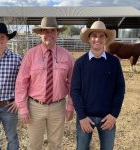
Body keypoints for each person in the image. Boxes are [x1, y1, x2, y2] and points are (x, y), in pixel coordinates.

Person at [15, 17, 74, 150]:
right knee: (34, 145)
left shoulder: (67, 56)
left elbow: (73, 83)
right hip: (35, 107)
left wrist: (70, 106)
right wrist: (22, 108)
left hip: (58, 106)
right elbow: (21, 83)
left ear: (57, 33)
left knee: (56, 144)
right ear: (40, 33)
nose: (49, 34)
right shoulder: (30, 55)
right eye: (45, 31)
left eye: (52, 31)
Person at [70, 21, 125, 150]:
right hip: (85, 117)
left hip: (108, 118)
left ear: (106, 39)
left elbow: (120, 89)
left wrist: (114, 114)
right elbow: (75, 90)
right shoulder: (80, 63)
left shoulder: (114, 62)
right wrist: (82, 116)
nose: (97, 39)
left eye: (101, 36)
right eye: (94, 36)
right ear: (89, 38)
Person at [0, 22, 22, 150]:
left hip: (9, 107)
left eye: (2, 37)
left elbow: (24, 82)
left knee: (12, 137)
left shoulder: (17, 59)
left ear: (7, 39)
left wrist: (18, 101)